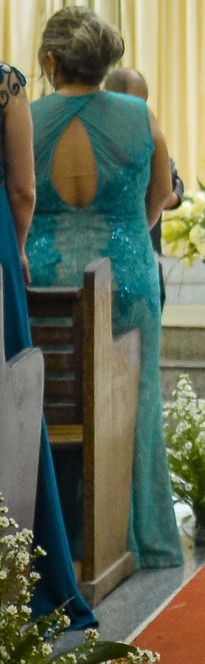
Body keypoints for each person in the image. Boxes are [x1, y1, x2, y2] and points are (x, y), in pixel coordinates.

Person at [28, 6, 182, 570]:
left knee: (45, 403)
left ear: (51, 61)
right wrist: (124, 237)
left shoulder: (26, 118)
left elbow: (18, 193)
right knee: (136, 405)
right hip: (127, 278)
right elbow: (160, 195)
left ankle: (52, 537)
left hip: (43, 280)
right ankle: (138, 537)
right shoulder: (140, 116)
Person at [1, 59, 96, 628]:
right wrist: (15, 249)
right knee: (9, 397)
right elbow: (23, 189)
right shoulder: (5, 83)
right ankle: (21, 575)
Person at [102, 68, 184, 308]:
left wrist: (174, 195)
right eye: (138, 103)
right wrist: (170, 196)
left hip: (145, 245)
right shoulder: (102, 135)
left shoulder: (143, 129)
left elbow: (172, 181)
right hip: (116, 245)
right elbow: (165, 189)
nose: (143, 110)